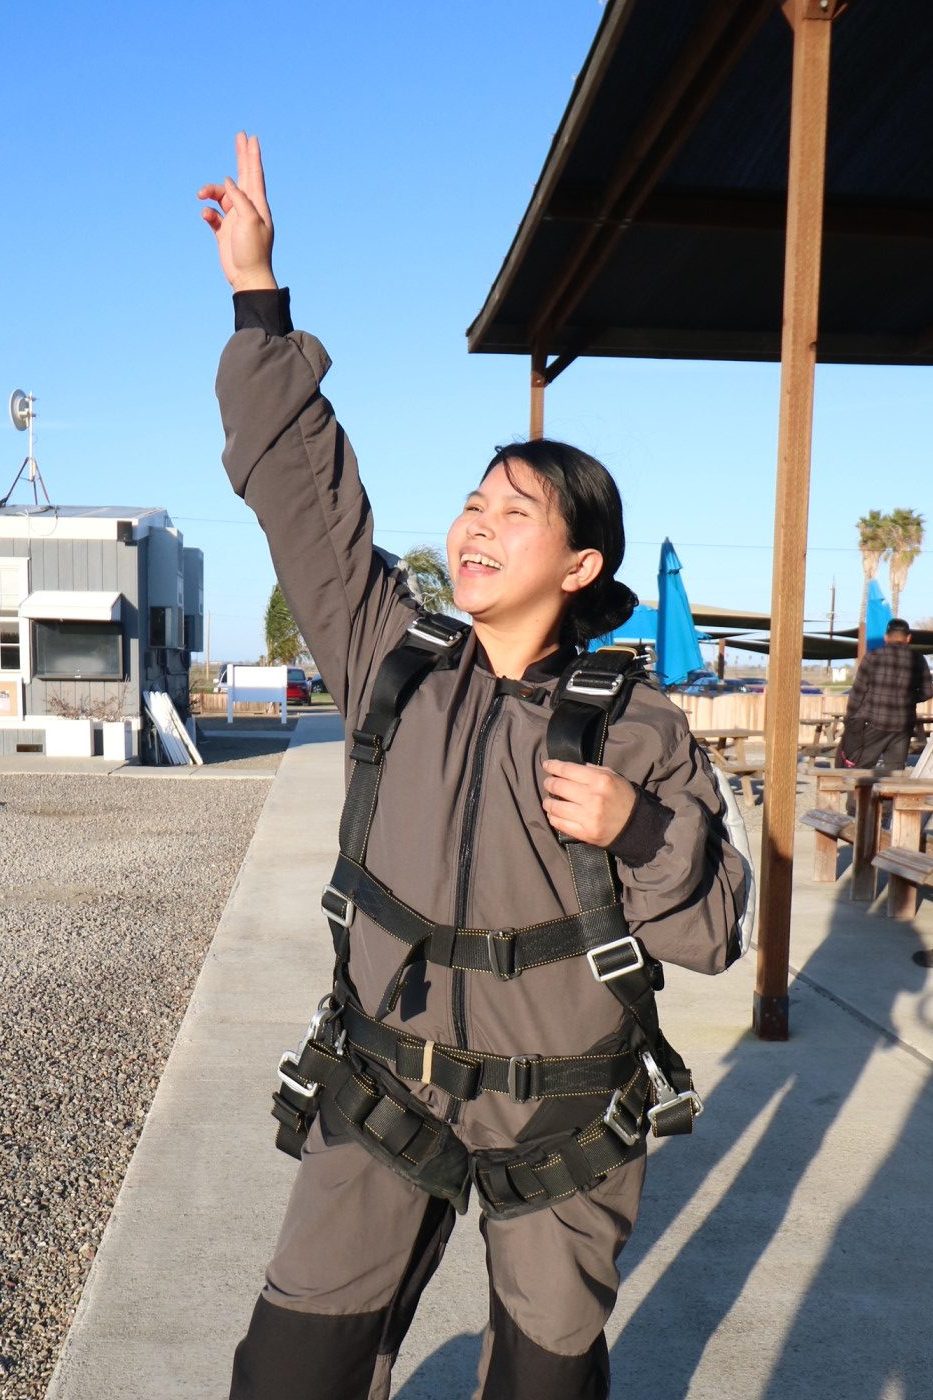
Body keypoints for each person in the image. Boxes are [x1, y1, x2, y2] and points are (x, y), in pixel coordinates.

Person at [199, 133, 750, 1400]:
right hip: (381, 1086)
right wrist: (259, 295)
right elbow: (301, 485)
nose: (478, 523)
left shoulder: (639, 724)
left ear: (581, 568)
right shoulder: (392, 651)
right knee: (287, 1371)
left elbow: (717, 932)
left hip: (565, 1122)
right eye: (475, 500)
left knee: (547, 1382)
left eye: (518, 512)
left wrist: (642, 833)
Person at [837, 618, 933, 771]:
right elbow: (928, 692)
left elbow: (858, 692)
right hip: (903, 724)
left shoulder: (872, 657)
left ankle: (860, 796)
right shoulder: (918, 659)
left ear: (886, 637)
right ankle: (892, 795)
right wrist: (907, 698)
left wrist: (850, 720)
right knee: (895, 772)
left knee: (862, 772)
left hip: (873, 722)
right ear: (908, 638)